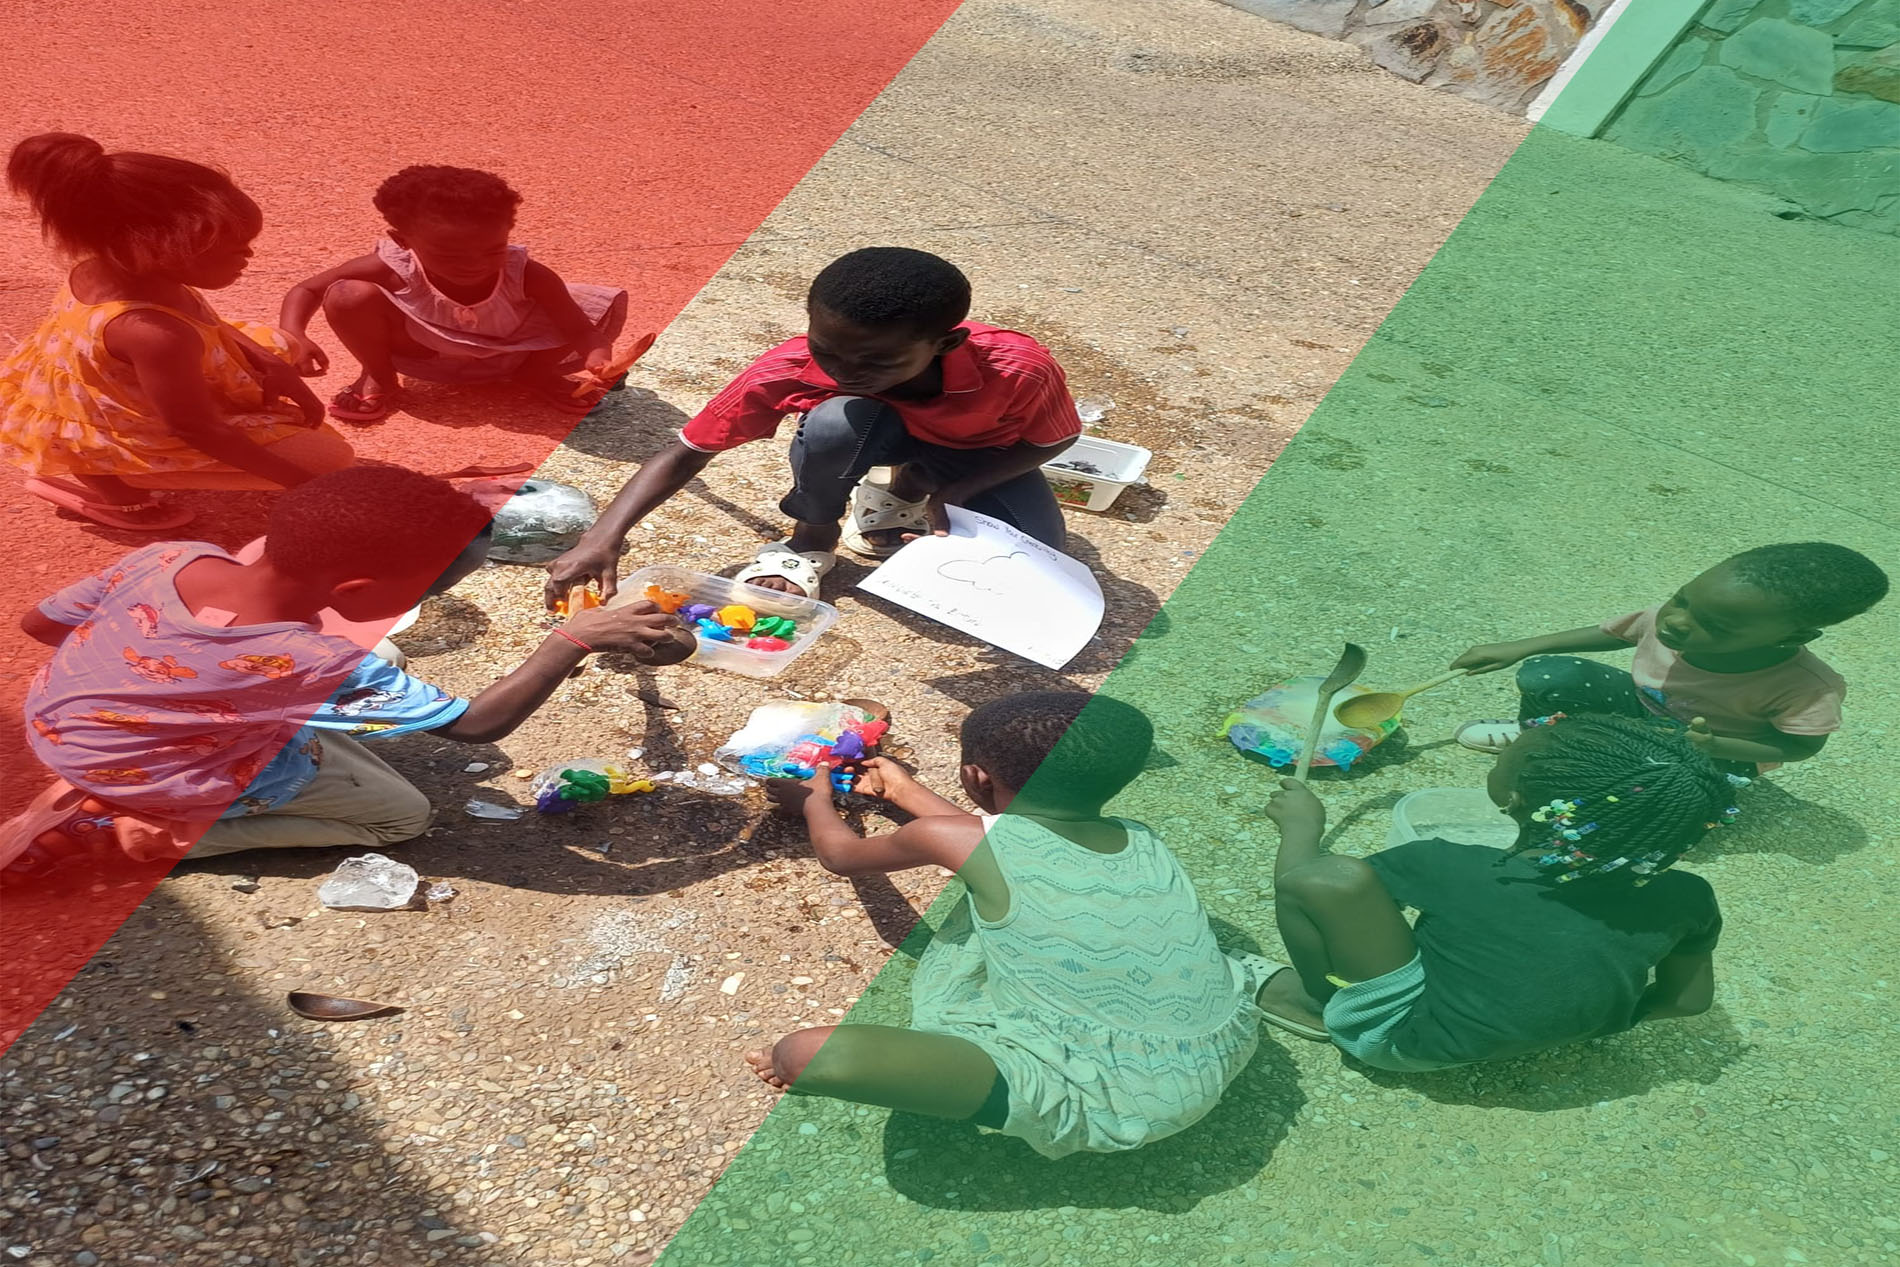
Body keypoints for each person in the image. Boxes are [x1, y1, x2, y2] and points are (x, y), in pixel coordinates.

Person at [5, 465, 692, 879]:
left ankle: (128, 771)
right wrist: (571, 639)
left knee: (383, 661)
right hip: (152, 774)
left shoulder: (172, 555)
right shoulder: (304, 660)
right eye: (429, 590)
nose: (433, 599)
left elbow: (41, 624)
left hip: (62, 725)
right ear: (358, 590)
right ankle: (137, 832)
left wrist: (154, 678)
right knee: (402, 816)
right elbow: (479, 726)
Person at [747, 692, 1272, 1160]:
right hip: (1212, 1052)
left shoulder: (958, 839)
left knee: (803, 1055)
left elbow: (841, 856)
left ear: (975, 777)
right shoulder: (1140, 836)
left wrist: (814, 800)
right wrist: (905, 793)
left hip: (1101, 1097)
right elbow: (1003, 841)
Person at [544, 247, 1081, 606]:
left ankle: (908, 487)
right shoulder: (792, 365)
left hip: (973, 454)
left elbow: (1056, 438)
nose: (845, 372)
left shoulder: (1017, 368)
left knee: (1035, 561)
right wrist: (602, 538)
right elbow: (686, 451)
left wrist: (959, 491)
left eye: (878, 362)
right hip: (872, 433)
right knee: (833, 423)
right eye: (827, 350)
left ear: (946, 343)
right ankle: (812, 537)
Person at [1257, 714, 1731, 1072]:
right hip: (1571, 1030)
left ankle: (1317, 1001)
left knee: (1332, 880)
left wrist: (1302, 828)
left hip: (1407, 1041)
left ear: (1513, 799)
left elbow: (1310, 887)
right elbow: (1686, 1002)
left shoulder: (1447, 867)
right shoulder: (1689, 895)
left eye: (1505, 759)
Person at [0, 133, 354, 531]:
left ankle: (106, 469)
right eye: (235, 246)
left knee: (280, 344)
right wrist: (308, 487)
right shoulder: (151, 332)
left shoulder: (118, 267)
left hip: (104, 388)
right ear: (163, 246)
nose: (248, 254)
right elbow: (194, 429)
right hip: (107, 424)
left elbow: (207, 323)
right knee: (328, 460)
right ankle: (115, 485)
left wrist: (269, 360)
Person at [1449, 542, 1888, 775]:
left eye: (1714, 625)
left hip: (1707, 753)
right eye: (1682, 598)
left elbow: (1800, 747)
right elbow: (1614, 633)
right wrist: (1522, 647)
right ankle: (1543, 735)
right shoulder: (1675, 620)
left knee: (1650, 793)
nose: (1676, 621)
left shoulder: (1807, 687)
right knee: (1550, 675)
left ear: (1792, 637)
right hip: (1643, 712)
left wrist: (1714, 747)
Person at [280, 165, 629, 422]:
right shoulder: (391, 266)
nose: (475, 265)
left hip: (511, 355)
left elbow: (580, 330)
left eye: (494, 250)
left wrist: (600, 358)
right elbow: (307, 288)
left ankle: (536, 375)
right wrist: (294, 335)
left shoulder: (526, 273)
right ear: (402, 241)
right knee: (347, 294)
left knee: (578, 301)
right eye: (451, 256)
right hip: (425, 354)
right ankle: (379, 375)